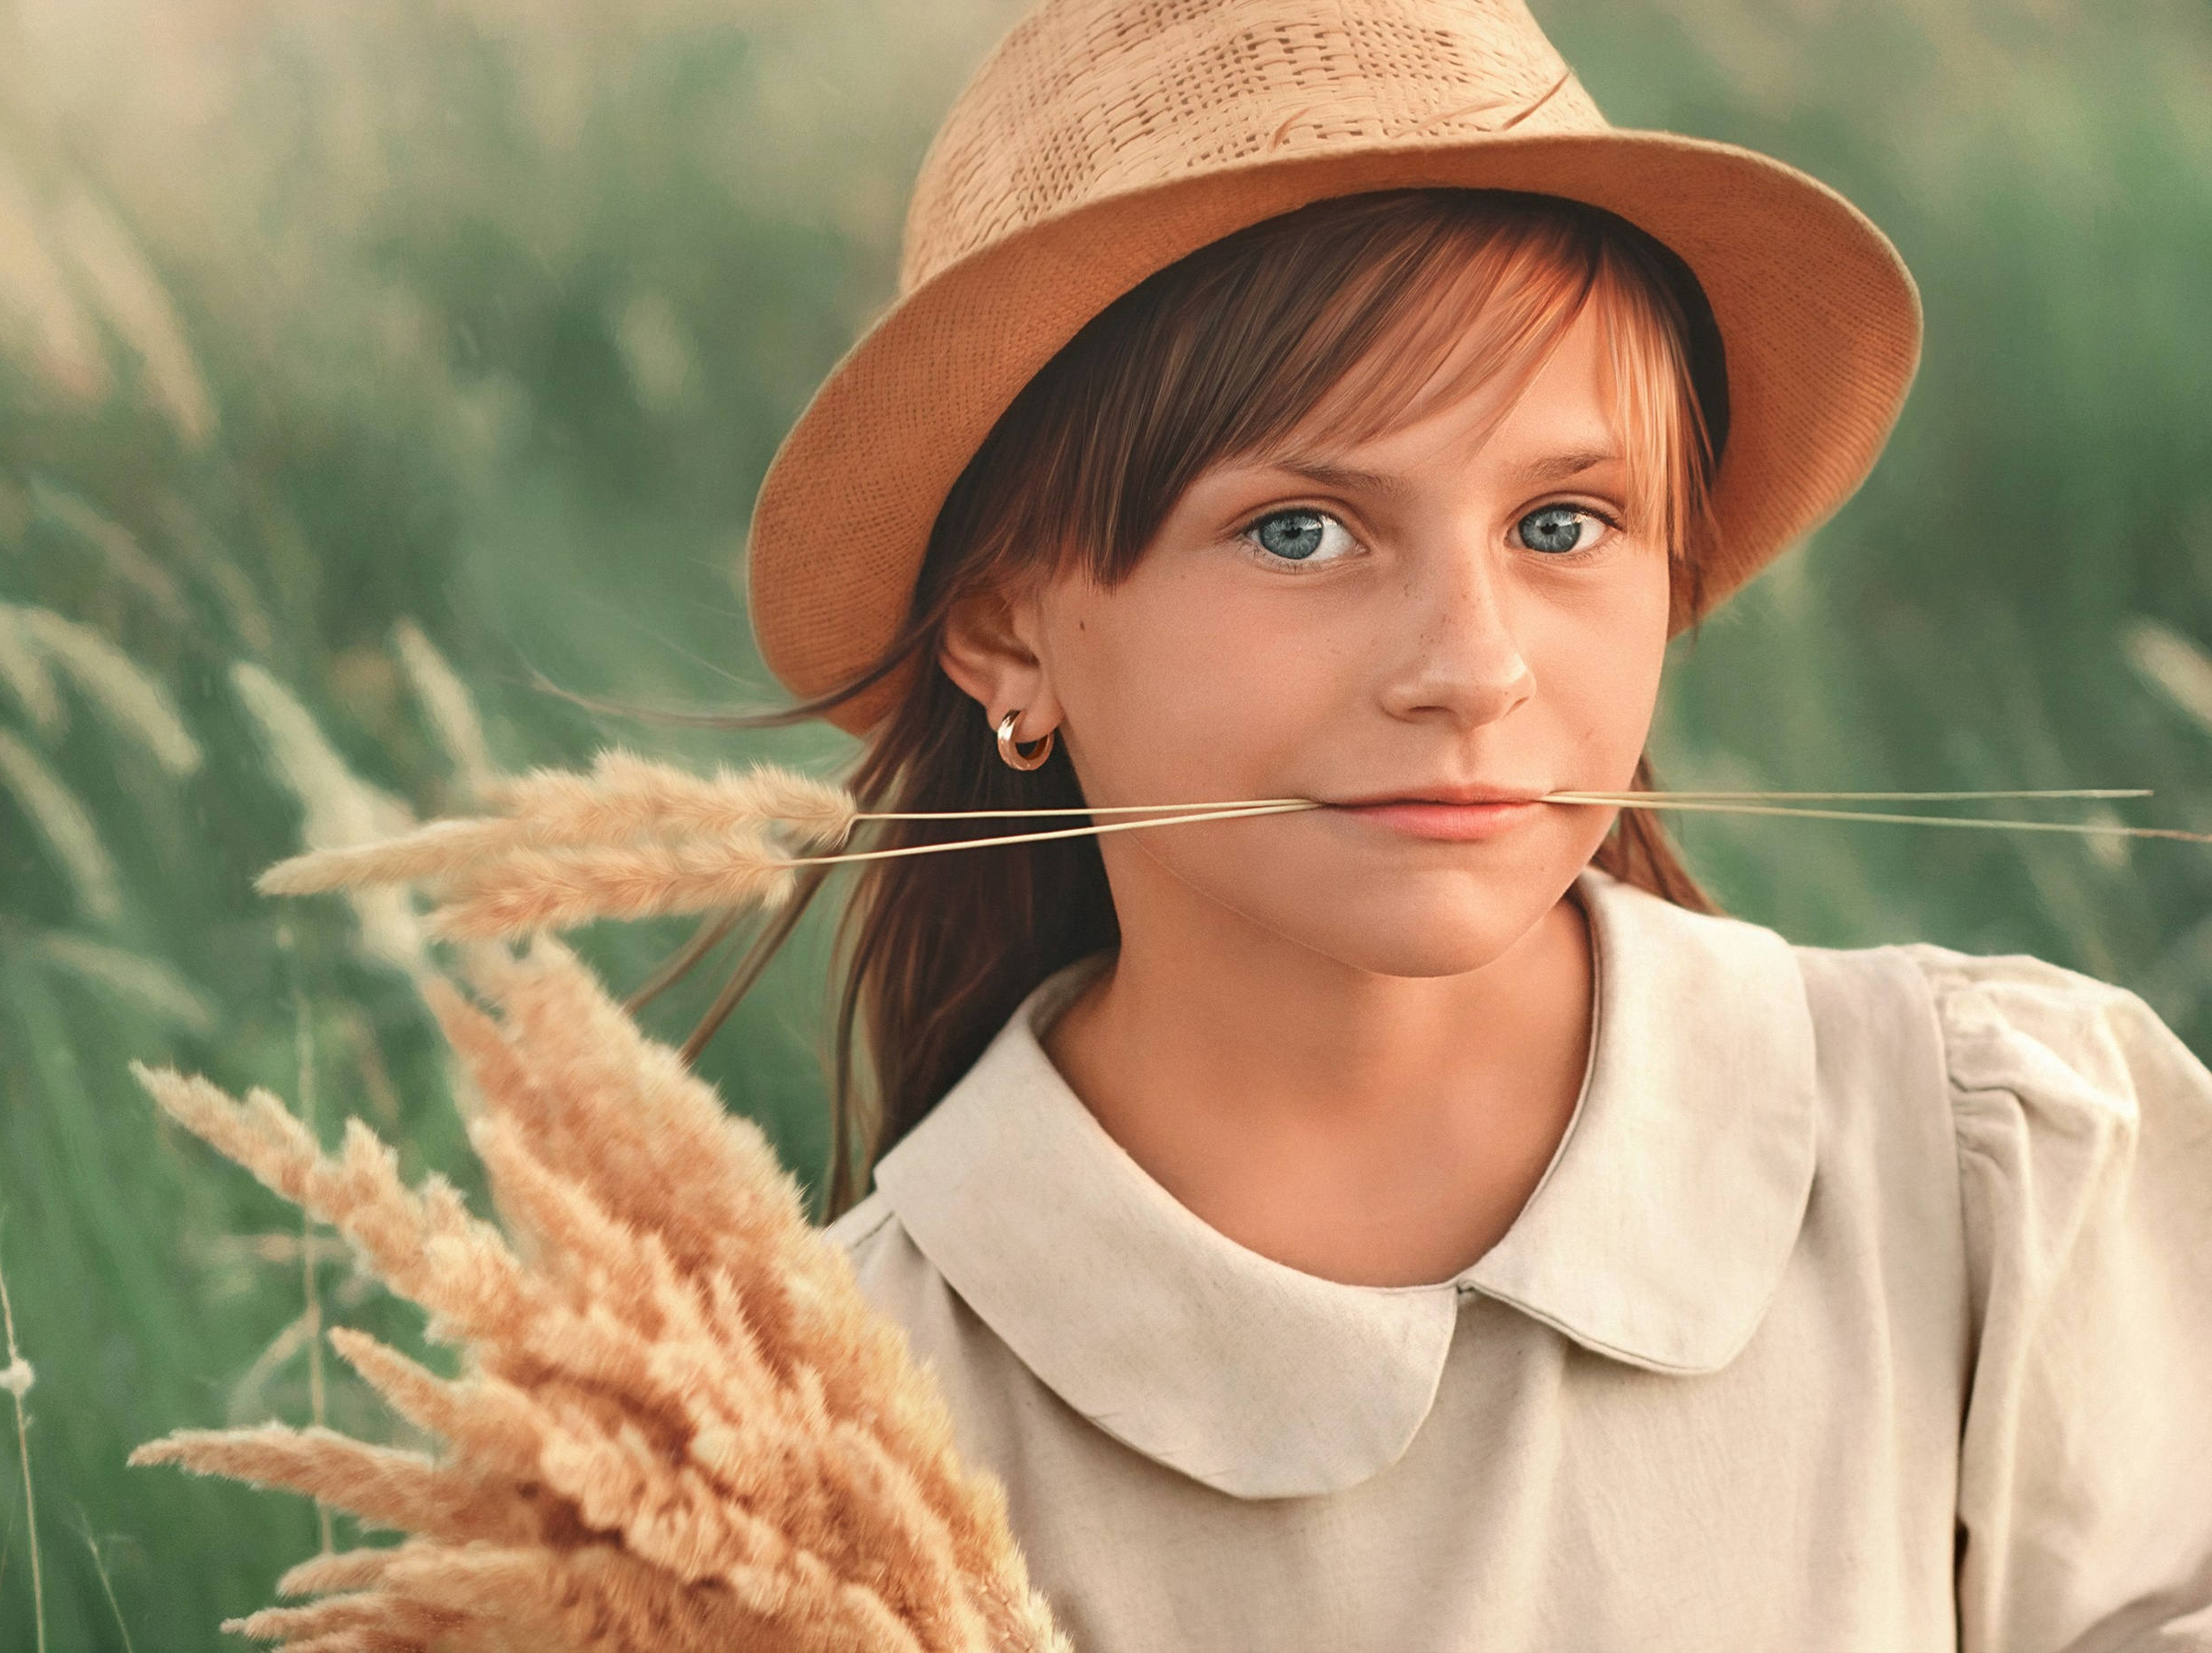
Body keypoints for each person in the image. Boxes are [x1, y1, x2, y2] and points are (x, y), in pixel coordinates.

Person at [720, 0, 2212, 1646]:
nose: (1474, 669)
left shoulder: (1993, 1176)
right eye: (1300, 532)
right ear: (1008, 627)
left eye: (1564, 522)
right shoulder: (812, 1446)